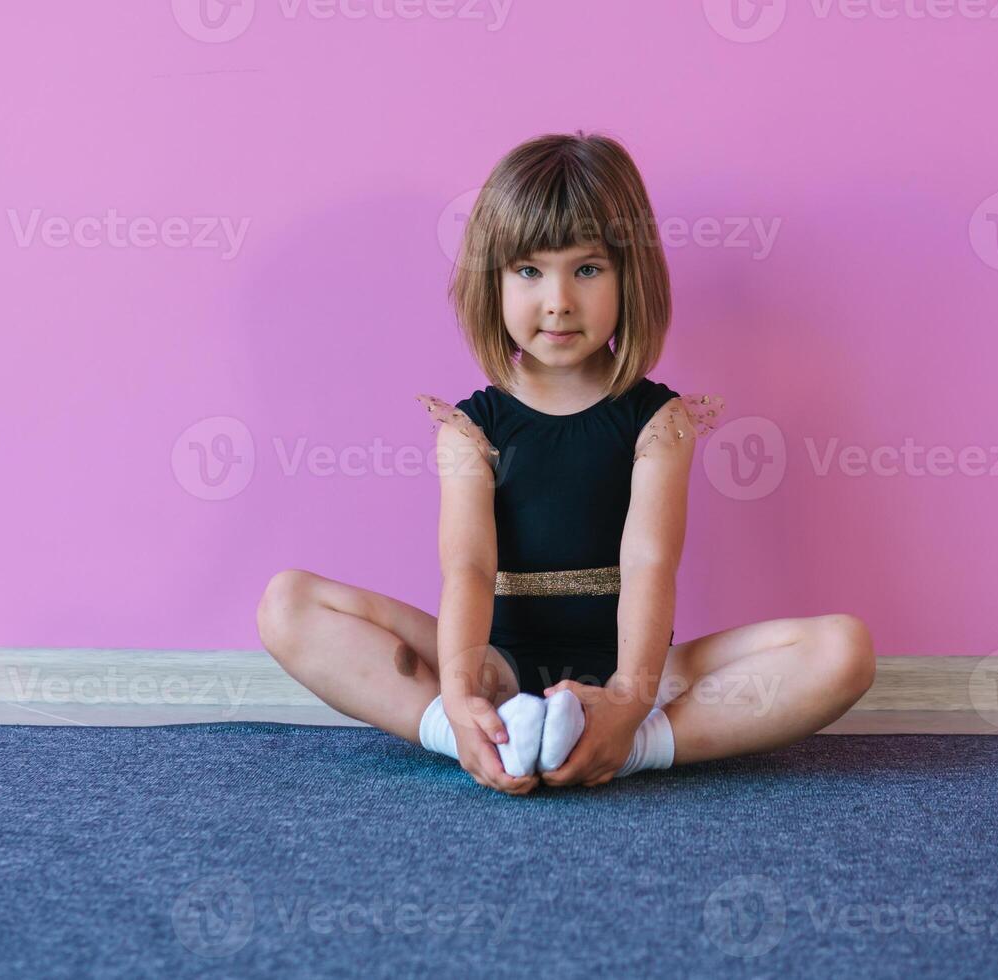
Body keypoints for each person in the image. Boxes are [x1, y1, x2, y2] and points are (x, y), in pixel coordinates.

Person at [257, 131, 874, 796]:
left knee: (844, 650)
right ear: (492, 279)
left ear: (628, 276)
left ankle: (631, 746)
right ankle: (464, 734)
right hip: (495, 665)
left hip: (637, 671)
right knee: (287, 605)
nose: (557, 301)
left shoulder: (660, 425)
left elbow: (648, 564)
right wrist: (463, 691)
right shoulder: (470, 430)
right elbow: (468, 568)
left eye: (586, 269)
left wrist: (630, 697)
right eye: (529, 271)